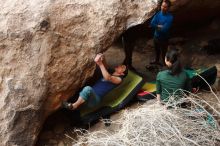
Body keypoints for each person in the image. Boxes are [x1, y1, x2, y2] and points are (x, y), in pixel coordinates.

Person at [63, 53, 128, 110]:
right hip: (88, 95)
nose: (120, 66)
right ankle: (66, 104)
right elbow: (105, 67)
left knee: (87, 89)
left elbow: (108, 78)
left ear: (122, 74)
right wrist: (103, 57)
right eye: (121, 65)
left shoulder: (119, 79)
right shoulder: (111, 72)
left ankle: (74, 106)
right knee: (83, 87)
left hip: (94, 99)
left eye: (122, 67)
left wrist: (100, 64)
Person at [150, 0, 173, 66]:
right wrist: (158, 26)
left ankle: (164, 64)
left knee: (164, 53)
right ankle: (156, 61)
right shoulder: (158, 14)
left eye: (165, 7)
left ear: (168, 8)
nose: (163, 8)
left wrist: (156, 25)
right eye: (162, 6)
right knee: (157, 51)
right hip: (156, 37)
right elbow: (151, 24)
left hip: (164, 39)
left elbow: (165, 29)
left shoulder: (170, 17)